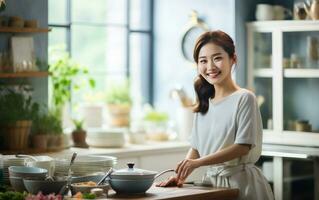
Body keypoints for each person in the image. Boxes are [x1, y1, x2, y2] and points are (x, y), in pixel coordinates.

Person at [156, 30, 274, 200]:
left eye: (217, 58)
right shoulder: (204, 101)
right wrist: (180, 176)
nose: (210, 67)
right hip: (211, 185)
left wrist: (198, 163)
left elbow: (243, 146)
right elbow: (196, 147)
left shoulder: (245, 98)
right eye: (203, 61)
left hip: (242, 184)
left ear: (233, 59)